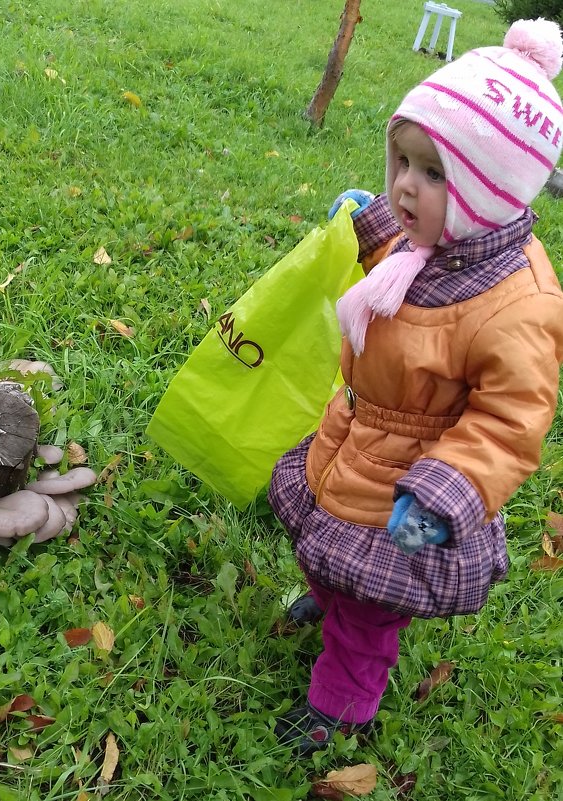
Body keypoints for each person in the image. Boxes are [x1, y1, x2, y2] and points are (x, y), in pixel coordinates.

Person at [268, 17, 563, 756]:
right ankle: (332, 592)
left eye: (432, 174)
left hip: (410, 487)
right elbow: (402, 256)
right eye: (401, 159)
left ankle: (340, 705)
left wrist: (445, 490)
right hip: (357, 436)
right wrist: (367, 219)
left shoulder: (519, 304)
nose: (406, 184)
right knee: (323, 537)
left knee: (372, 610)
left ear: (489, 192)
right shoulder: (438, 235)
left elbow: (509, 420)